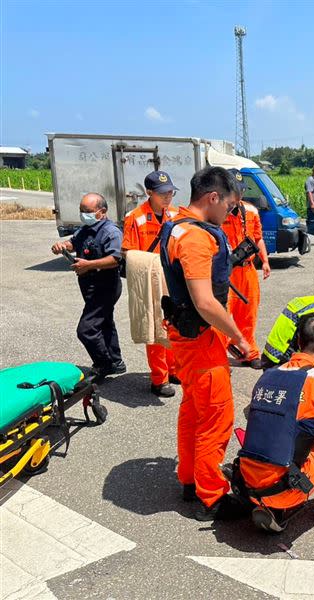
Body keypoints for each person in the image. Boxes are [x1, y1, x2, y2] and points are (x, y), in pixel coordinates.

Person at [159, 166, 250, 521]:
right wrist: (239, 338)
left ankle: (189, 478)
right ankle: (211, 495)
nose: (230, 212)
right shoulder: (195, 238)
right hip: (199, 338)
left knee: (194, 410)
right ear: (213, 197)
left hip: (188, 337)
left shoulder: (176, 225)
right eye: (229, 205)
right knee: (216, 415)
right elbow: (205, 302)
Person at [236, 312, 314, 533]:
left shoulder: (268, 376)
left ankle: (273, 508)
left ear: (299, 342)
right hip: (285, 488)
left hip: (249, 483)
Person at [51, 193, 125, 380]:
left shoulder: (111, 232)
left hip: (105, 286)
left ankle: (103, 364)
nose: (84, 214)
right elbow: (73, 242)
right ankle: (116, 361)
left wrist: (88, 265)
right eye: (81, 211)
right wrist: (62, 246)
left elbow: (115, 259)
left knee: (87, 329)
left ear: (102, 212)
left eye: (88, 211)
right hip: (90, 285)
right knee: (105, 322)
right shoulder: (86, 228)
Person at [122, 170, 179, 396]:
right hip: (149, 280)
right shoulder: (134, 217)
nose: (168, 197)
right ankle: (159, 379)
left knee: (174, 325)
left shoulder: (175, 215)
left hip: (172, 278)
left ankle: (174, 370)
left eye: (171, 192)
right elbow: (128, 252)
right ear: (149, 193)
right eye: (163, 193)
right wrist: (154, 263)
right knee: (155, 328)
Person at [221, 168, 271, 368]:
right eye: (236, 190)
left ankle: (249, 352)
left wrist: (265, 261)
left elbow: (257, 238)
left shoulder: (250, 211)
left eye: (242, 190)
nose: (240, 194)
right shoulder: (216, 212)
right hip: (226, 271)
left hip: (248, 268)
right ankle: (220, 351)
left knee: (249, 312)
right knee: (223, 312)